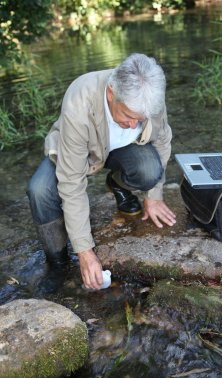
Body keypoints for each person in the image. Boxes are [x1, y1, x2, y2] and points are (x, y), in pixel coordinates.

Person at [27, 53, 176, 290]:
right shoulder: (80, 100)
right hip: (81, 150)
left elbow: (162, 142)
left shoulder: (149, 94)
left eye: (140, 120)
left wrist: (154, 195)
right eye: (128, 116)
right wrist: (85, 252)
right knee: (39, 190)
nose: (133, 125)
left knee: (149, 171)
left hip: (123, 150)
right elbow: (72, 182)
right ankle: (58, 263)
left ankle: (118, 184)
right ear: (110, 94)